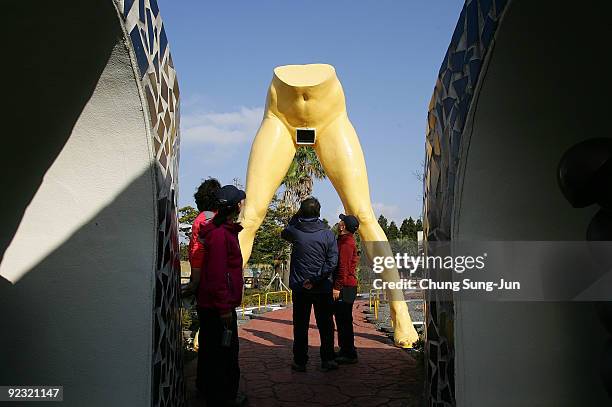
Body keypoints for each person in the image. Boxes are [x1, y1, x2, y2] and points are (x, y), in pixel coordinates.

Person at [196, 185, 247, 407]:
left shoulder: (222, 231)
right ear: (235, 206)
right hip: (219, 307)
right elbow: (218, 274)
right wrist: (225, 308)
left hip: (213, 304)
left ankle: (210, 392)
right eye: (242, 201)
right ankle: (224, 398)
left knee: (212, 352)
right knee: (224, 356)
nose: (243, 205)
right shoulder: (220, 235)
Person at [281, 197, 339, 372]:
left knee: (300, 325)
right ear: (318, 212)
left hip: (300, 287)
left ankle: (300, 361)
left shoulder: (296, 232)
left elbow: (284, 233)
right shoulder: (328, 234)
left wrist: (296, 216)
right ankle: (327, 359)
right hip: (322, 287)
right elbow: (332, 262)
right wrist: (315, 280)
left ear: (302, 212)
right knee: (326, 325)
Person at [182, 178, 221, 298]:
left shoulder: (202, 220)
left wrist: (194, 283)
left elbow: (198, 253)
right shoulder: (220, 219)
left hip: (205, 280)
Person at [333, 214, 360, 364]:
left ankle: (349, 353)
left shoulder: (346, 244)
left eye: (341, 221)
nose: (338, 223)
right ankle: (346, 350)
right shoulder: (343, 241)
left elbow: (342, 268)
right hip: (346, 286)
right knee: (343, 320)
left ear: (343, 226)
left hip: (345, 287)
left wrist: (337, 288)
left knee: (344, 321)